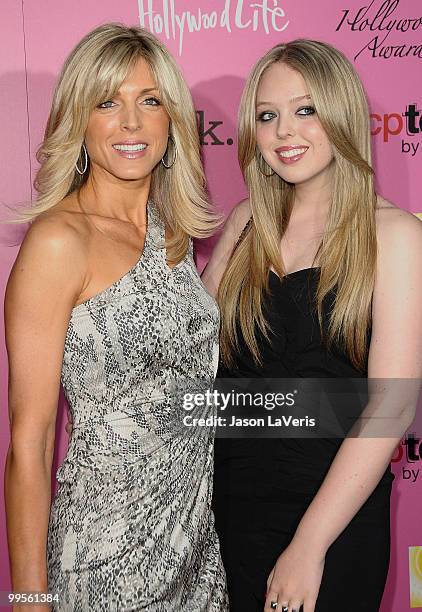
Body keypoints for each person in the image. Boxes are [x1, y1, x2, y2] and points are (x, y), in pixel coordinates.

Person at [4, 23, 228, 611]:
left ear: (172, 120)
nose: (131, 123)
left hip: (196, 549)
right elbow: (31, 440)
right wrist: (29, 598)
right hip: (104, 551)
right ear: (80, 119)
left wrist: (337, 412)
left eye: (149, 101)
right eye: (108, 102)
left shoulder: (173, 235)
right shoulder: (59, 241)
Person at [202, 39, 422, 612]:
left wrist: (309, 545)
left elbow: (392, 407)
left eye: (305, 110)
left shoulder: (394, 236)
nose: (284, 132)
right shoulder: (248, 222)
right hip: (229, 509)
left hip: (332, 519)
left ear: (342, 113)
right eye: (267, 116)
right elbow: (193, 352)